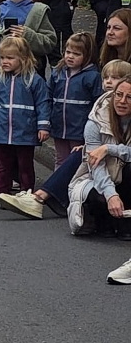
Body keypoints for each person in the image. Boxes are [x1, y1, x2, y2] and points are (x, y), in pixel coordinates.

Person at [0, 59, 131, 219]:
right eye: (107, 78)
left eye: (115, 78)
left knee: (85, 155)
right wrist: (110, 193)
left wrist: (108, 149)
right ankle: (39, 198)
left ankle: (40, 197)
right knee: (83, 155)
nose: (109, 82)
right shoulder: (98, 114)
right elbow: (96, 159)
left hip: (123, 166)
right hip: (108, 166)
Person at [0, 36, 50, 196]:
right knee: (3, 164)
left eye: (10, 58)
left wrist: (43, 126)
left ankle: (26, 192)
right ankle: (1, 192)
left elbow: (43, 103)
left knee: (25, 165)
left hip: (25, 131)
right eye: (2, 58)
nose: (4, 61)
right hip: (3, 131)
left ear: (23, 58)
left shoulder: (34, 80)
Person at [67, 77, 131, 238]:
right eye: (119, 94)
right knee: (100, 198)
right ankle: (102, 221)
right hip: (94, 177)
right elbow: (96, 166)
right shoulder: (95, 122)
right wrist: (111, 195)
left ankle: (125, 224)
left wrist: (109, 149)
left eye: (129, 97)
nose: (122, 101)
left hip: (125, 176)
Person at [48, 32, 101, 168]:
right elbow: (48, 97)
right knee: (60, 160)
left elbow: (97, 104)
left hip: (79, 130)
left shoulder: (92, 76)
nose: (70, 56)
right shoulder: (57, 73)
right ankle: (57, 182)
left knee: (76, 161)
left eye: (76, 54)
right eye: (68, 52)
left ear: (87, 56)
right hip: (59, 127)